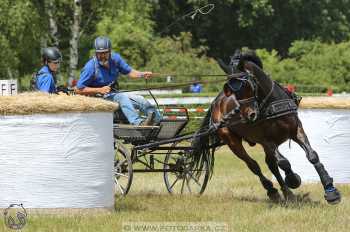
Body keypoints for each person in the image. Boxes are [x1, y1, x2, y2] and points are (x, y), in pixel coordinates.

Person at [75, 36, 161, 126]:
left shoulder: (116, 59)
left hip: (113, 95)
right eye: (99, 53)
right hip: (98, 98)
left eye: (105, 53)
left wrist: (142, 74)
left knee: (141, 99)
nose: (102, 56)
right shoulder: (90, 67)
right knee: (121, 97)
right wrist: (99, 90)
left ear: (110, 51)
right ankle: (138, 123)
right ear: (96, 53)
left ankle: (159, 120)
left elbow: (130, 72)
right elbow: (78, 89)